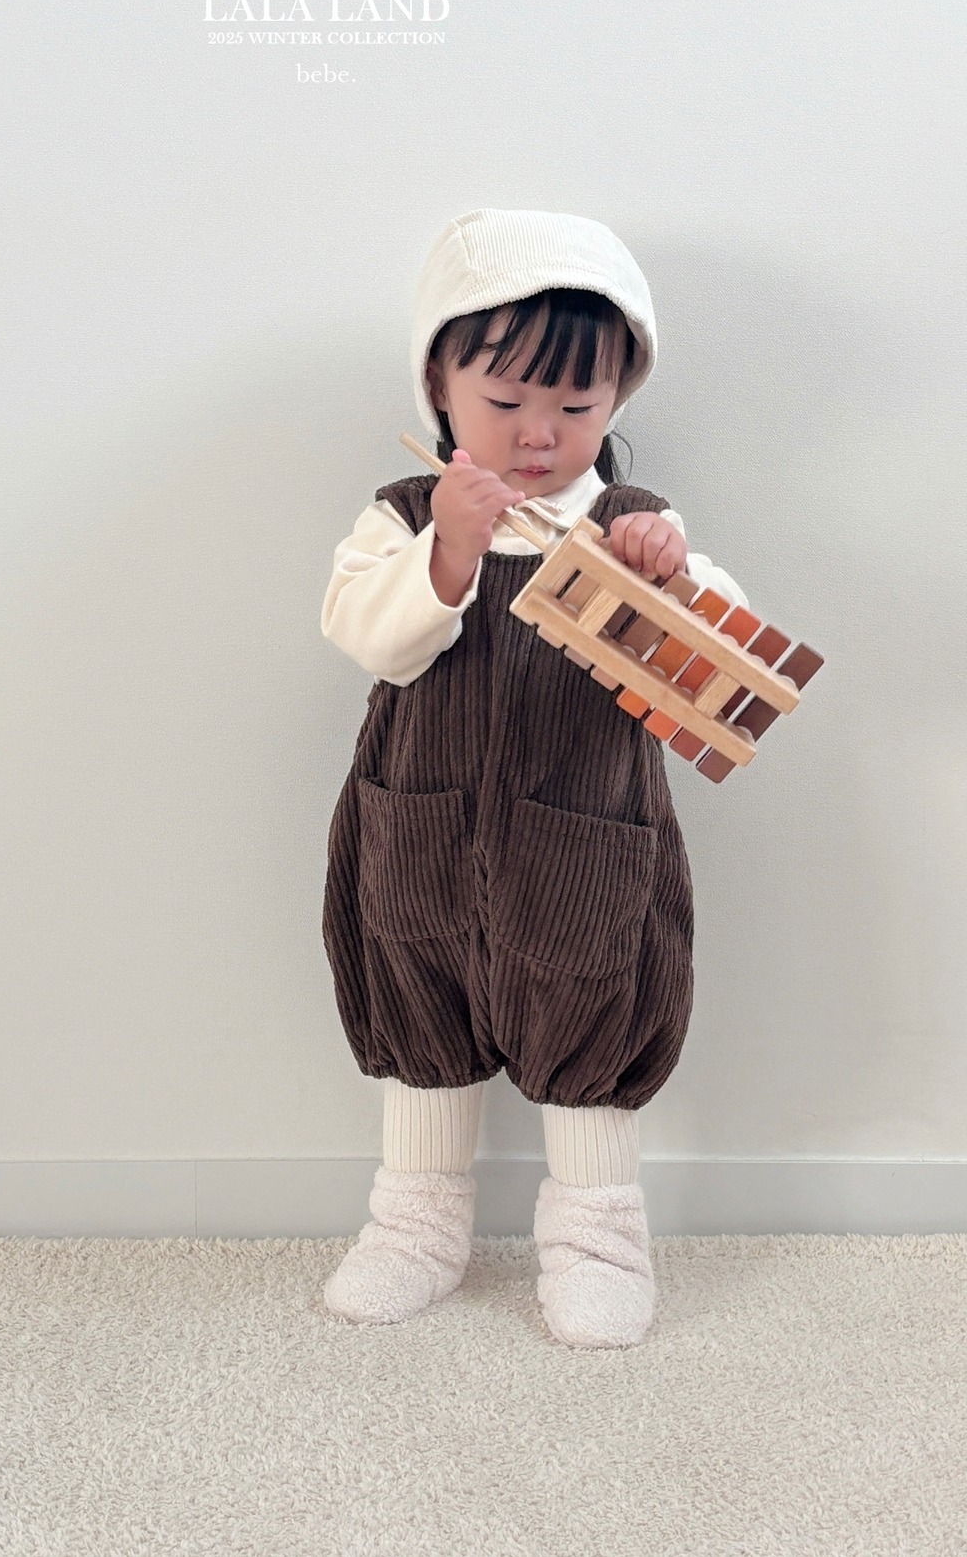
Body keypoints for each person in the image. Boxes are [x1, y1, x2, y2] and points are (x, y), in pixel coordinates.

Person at [319, 208, 747, 1347]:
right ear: (439, 384)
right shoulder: (401, 516)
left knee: (589, 1008)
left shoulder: (630, 524)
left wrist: (670, 581)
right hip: (420, 820)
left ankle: (599, 1241)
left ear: (618, 398)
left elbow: (724, 661)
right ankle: (413, 1230)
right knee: (420, 998)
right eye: (505, 402)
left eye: (577, 406)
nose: (540, 435)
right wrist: (450, 549)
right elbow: (369, 636)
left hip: (583, 838)